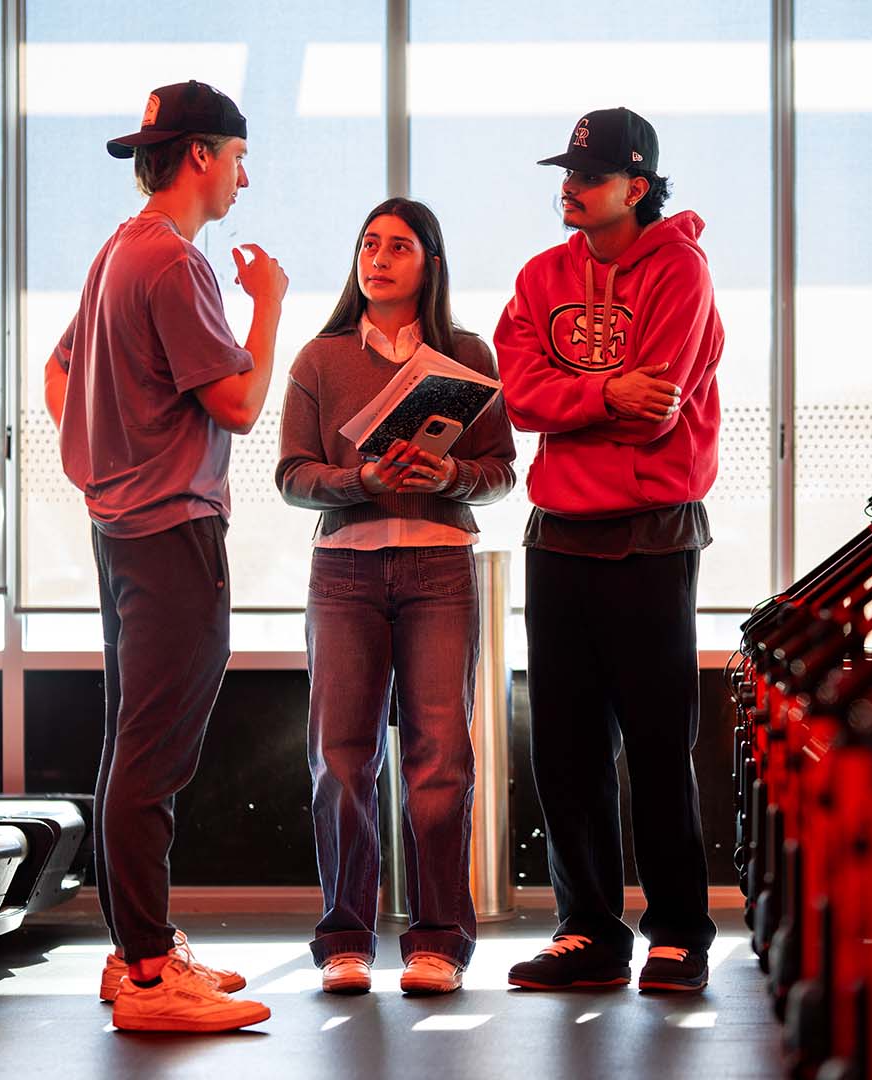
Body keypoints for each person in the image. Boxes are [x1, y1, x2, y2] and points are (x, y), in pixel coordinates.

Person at [43, 79, 284, 1033]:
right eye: (236, 158)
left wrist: (103, 466)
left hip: (122, 530)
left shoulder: (118, 253)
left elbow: (60, 372)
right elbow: (239, 403)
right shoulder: (177, 264)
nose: (243, 178)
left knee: (131, 747)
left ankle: (135, 948)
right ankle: (148, 976)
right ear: (199, 157)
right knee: (151, 756)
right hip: (172, 534)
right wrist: (268, 304)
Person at [492, 107, 723, 993]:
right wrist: (599, 395)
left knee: (660, 746)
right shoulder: (540, 274)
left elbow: (656, 404)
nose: (570, 187)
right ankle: (588, 927)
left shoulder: (681, 270)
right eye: (567, 173)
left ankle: (679, 931)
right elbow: (518, 394)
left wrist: (572, 397)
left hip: (650, 536)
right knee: (565, 749)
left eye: (589, 176)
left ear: (637, 185)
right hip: (558, 536)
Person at [276, 198, 516, 996]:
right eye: (368, 244)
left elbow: (501, 471)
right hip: (343, 573)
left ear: (430, 264)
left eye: (398, 246)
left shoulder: (468, 355)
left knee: (440, 760)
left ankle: (439, 941)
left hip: (441, 570)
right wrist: (361, 481)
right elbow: (293, 478)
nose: (377, 258)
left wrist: (450, 476)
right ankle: (345, 939)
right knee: (340, 760)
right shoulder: (318, 359)